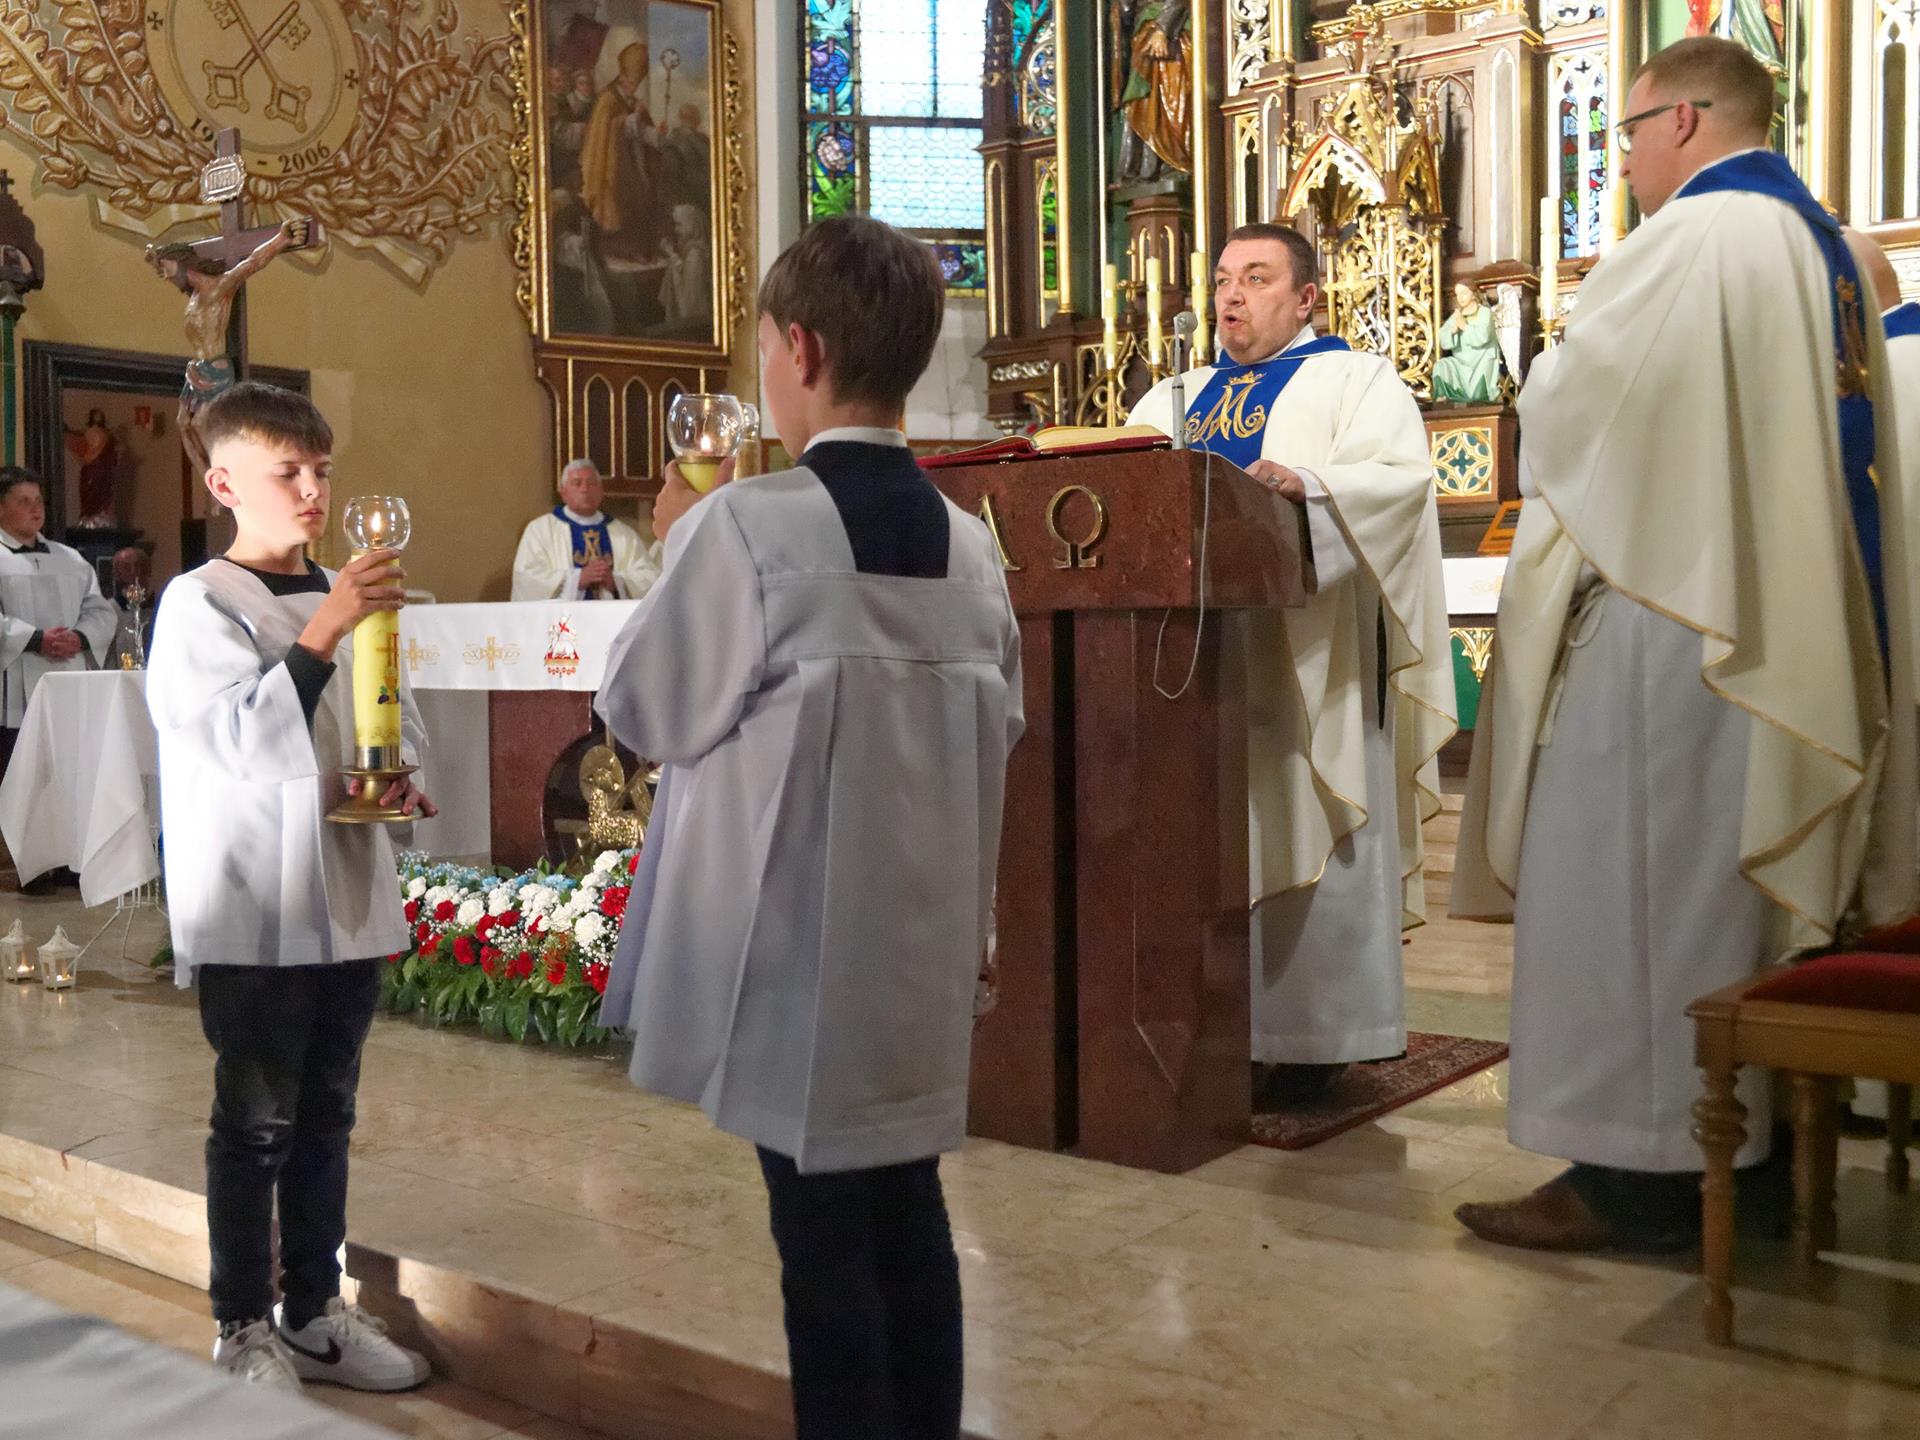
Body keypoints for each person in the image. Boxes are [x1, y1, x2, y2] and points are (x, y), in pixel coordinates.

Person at [1451, 37, 1918, 1252]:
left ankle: (1634, 1174)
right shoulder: (1825, 248)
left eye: (1629, 131)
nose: (1623, 161)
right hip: (1770, 624)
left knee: (1632, 903)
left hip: (1675, 629)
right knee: (1723, 911)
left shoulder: (1698, 237)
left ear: (1688, 120)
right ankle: (1742, 1163)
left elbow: (1571, 414)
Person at [594, 214, 1022, 1440]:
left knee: (822, 1247)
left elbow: (647, 706)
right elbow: (999, 730)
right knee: (907, 1217)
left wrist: (680, 536)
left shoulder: (749, 525)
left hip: (792, 957)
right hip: (921, 951)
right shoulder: (972, 548)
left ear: (801, 349)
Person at [145, 382, 437, 1391]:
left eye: (322, 469)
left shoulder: (340, 591)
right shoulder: (200, 602)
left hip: (344, 893)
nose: (314, 488)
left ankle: (313, 1311)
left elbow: (385, 711)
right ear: (225, 484)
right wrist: (325, 634)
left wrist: (399, 774)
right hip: (256, 905)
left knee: (327, 1114)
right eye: (289, 472)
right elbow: (233, 741)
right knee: (256, 1123)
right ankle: (241, 1325)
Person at [1127, 224, 1457, 1103]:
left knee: (1309, 809)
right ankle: (1205, 1027)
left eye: (1257, 278)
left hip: (1311, 663)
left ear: (1306, 298)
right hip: (1191, 663)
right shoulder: (1172, 396)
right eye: (1222, 280)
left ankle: (1313, 1039)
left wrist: (1310, 487)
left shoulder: (1356, 380)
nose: (1231, 295)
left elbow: (1400, 480)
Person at [0, 466, 116, 779]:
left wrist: (79, 637)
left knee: (69, 778)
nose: (35, 509)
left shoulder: (70, 558)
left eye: (38, 501)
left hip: (68, 684)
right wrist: (36, 639)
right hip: (10, 695)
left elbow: (101, 612)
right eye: (24, 501)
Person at [510, 458, 660, 601]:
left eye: (591, 483)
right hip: (562, 618)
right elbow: (526, 578)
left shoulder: (624, 534)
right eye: (577, 483)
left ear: (601, 490)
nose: (585, 489)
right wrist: (577, 579)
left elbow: (650, 577)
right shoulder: (540, 530)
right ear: (563, 492)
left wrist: (616, 582)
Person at [1431, 281, 1504, 404]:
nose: (1460, 297)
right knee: (1441, 365)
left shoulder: (1484, 312)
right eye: (1457, 294)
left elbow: (1483, 336)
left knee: (1477, 396)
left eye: (1464, 293)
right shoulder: (1458, 315)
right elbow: (1443, 337)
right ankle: (1444, 399)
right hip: (1461, 363)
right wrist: (1452, 331)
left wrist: (1464, 326)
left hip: (1481, 361)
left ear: (1473, 294)